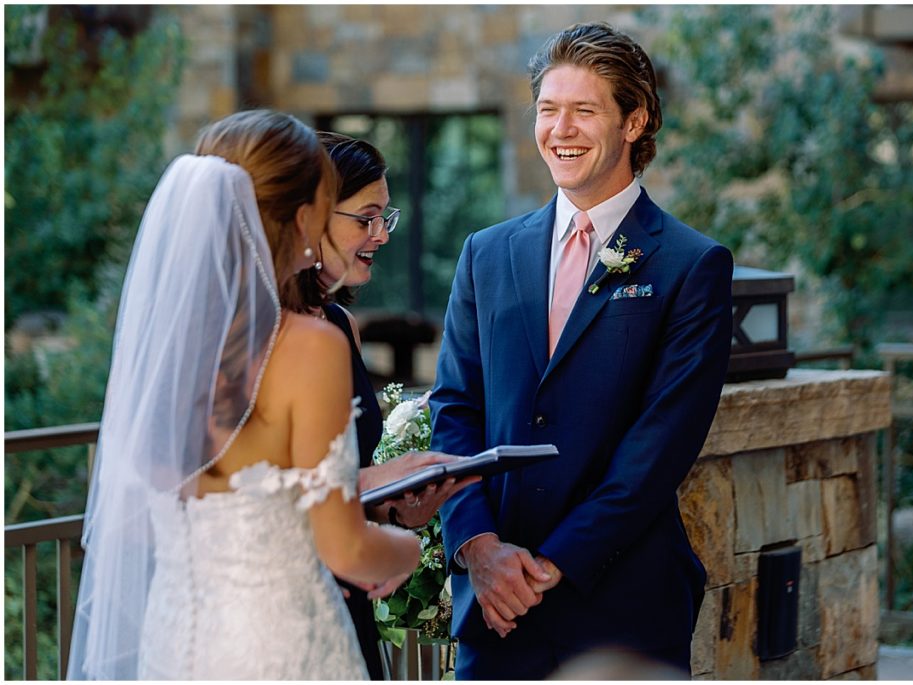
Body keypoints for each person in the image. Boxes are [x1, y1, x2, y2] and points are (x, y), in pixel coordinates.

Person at [67, 110, 422, 680]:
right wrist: (410, 553)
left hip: (175, 636)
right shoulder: (309, 345)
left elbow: (138, 516)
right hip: (277, 640)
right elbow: (346, 550)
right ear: (303, 214)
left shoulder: (168, 346)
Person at [429, 22, 734, 678]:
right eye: (547, 109)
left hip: (620, 608)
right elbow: (455, 411)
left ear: (634, 121)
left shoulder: (690, 264)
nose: (560, 129)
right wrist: (480, 549)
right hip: (494, 612)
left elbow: (656, 452)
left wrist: (546, 567)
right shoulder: (486, 253)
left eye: (584, 110)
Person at [296, 132, 478, 679]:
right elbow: (273, 491)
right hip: (291, 599)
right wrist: (390, 536)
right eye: (366, 218)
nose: (380, 235)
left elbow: (332, 481)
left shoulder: (340, 327)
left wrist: (394, 506)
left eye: (386, 217)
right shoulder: (264, 338)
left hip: (347, 598)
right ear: (312, 218)